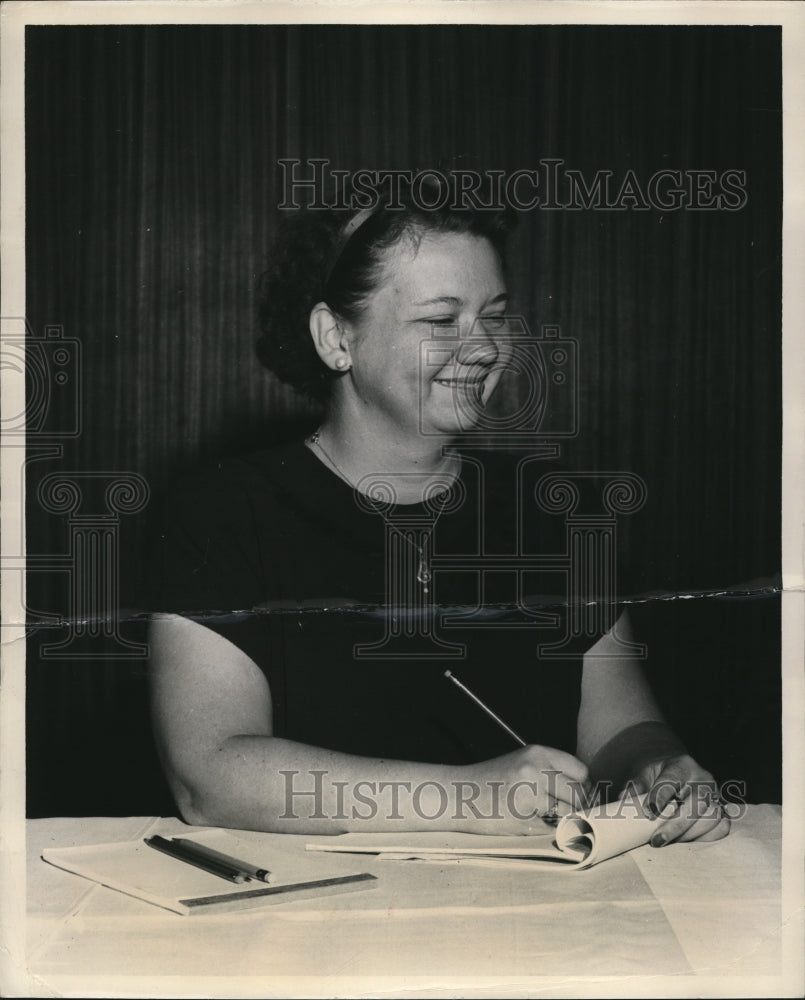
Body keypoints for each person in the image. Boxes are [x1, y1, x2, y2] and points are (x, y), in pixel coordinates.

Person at [148, 182, 730, 845]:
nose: (482, 347)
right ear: (336, 338)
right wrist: (463, 797)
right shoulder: (224, 509)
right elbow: (209, 772)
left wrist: (656, 767)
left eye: (494, 315)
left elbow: (620, 730)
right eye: (439, 320)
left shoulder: (561, 511)